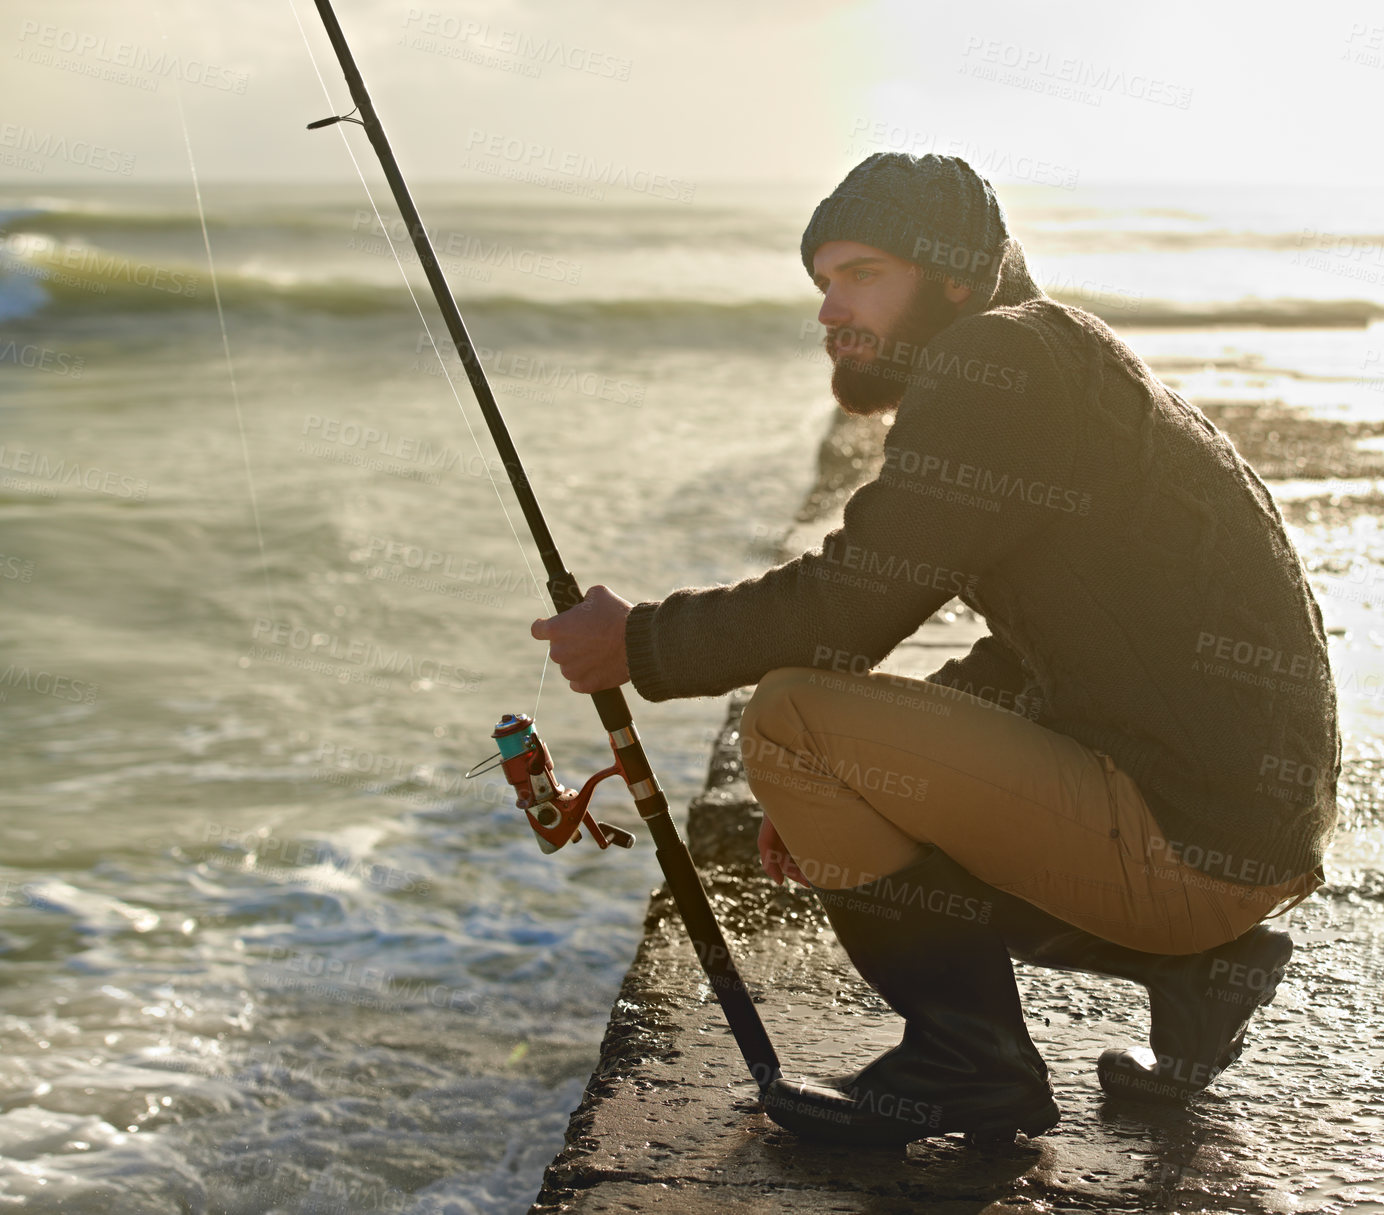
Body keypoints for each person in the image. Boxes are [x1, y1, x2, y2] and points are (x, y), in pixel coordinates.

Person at [531, 153, 1339, 1148]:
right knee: (850, 758)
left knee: (791, 715)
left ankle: (970, 1065)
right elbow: (1039, 652)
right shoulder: (1056, 357)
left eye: (863, 273)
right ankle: (1194, 974)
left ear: (955, 275)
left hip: (1188, 843)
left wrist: (639, 641)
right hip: (1241, 834)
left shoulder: (991, 365)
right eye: (823, 283)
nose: (830, 309)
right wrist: (874, 791)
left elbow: (846, 604)